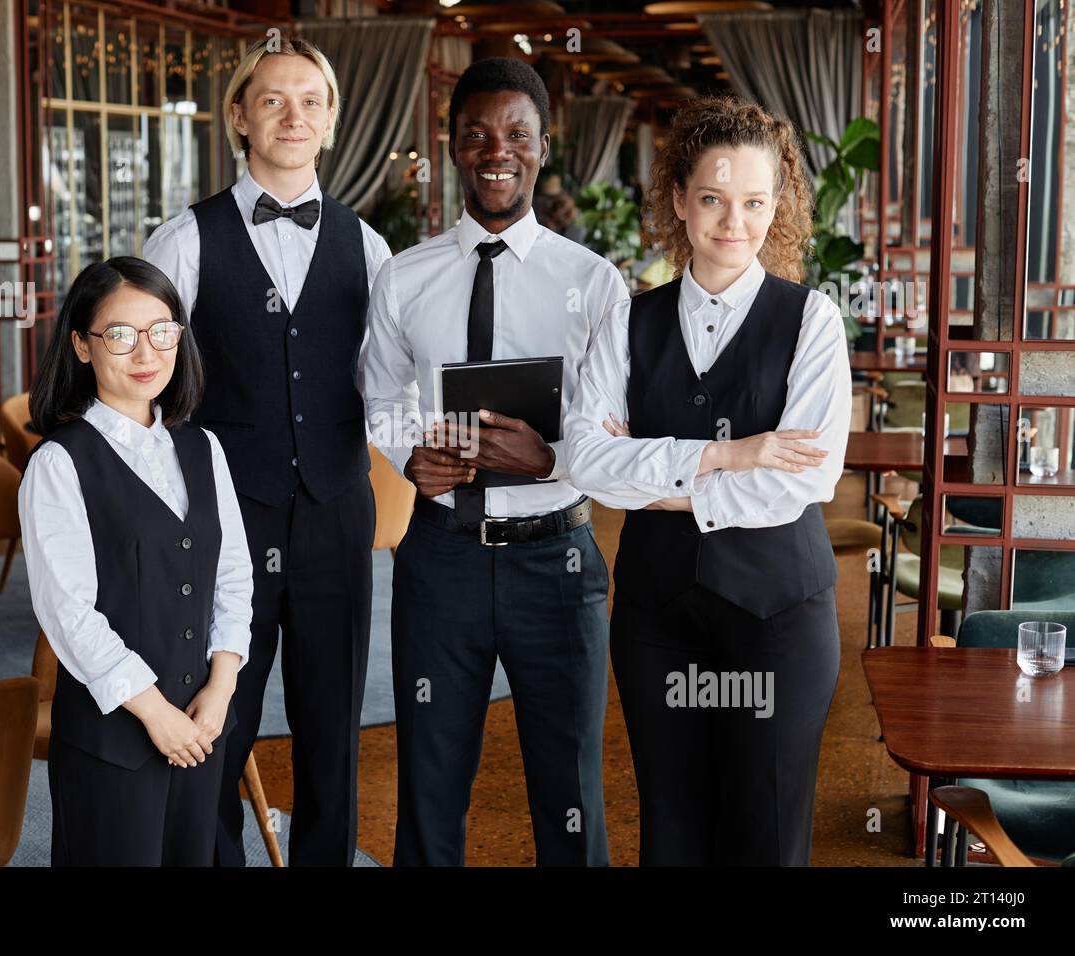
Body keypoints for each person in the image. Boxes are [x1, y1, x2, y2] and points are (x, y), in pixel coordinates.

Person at [565, 95, 852, 866]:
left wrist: (652, 480)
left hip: (778, 617)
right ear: (680, 201)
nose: (735, 221)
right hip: (659, 618)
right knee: (671, 826)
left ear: (778, 205)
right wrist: (728, 454)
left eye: (756, 202)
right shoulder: (629, 320)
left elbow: (806, 477)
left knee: (766, 830)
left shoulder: (812, 320)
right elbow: (584, 460)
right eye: (714, 199)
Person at [364, 57, 630, 866]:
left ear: (542, 148)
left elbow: (612, 430)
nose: (496, 151)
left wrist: (552, 455)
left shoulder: (594, 283)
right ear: (452, 146)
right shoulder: (404, 278)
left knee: (571, 790)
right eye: (476, 134)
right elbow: (380, 398)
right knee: (430, 785)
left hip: (556, 562)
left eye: (516, 134)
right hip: (439, 559)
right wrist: (411, 453)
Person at [143, 37, 390, 867]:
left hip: (334, 515)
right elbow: (144, 393)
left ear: (329, 122)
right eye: (273, 99)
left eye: (311, 100)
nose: (293, 115)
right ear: (239, 116)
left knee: (333, 725)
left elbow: (389, 388)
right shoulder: (182, 241)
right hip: (222, 525)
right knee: (217, 716)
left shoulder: (371, 247)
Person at [19, 256, 253, 866]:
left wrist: (221, 688)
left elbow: (233, 575)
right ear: (81, 345)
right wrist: (156, 715)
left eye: (162, 330)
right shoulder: (59, 463)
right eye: (120, 334)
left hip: (203, 727)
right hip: (115, 738)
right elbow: (70, 614)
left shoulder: (204, 447)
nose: (145, 352)